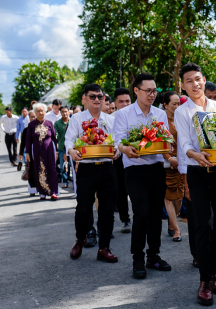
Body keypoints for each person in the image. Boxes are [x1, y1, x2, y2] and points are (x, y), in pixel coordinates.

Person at [175, 62, 216, 306]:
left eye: (198, 79)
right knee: (203, 225)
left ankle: (213, 276)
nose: (195, 84)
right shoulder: (182, 111)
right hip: (198, 171)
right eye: (189, 81)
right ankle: (204, 281)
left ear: (204, 79)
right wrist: (196, 155)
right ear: (183, 86)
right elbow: (185, 144)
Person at [114, 73, 172, 279]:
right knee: (142, 212)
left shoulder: (159, 114)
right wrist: (125, 148)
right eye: (147, 90)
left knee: (156, 213)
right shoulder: (123, 114)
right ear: (136, 91)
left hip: (156, 168)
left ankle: (153, 255)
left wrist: (169, 146)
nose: (152, 94)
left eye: (154, 90)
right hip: (134, 169)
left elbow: (165, 138)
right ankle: (137, 258)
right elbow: (118, 142)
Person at [66, 83, 119, 264]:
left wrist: (117, 151)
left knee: (107, 210)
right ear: (84, 99)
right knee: (83, 208)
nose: (97, 99)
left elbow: (117, 142)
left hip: (106, 167)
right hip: (86, 168)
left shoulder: (110, 119)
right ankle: (80, 238)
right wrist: (72, 151)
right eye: (92, 96)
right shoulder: (76, 119)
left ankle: (104, 248)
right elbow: (69, 141)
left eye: (100, 96)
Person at [160, 91, 185, 242]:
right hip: (167, 162)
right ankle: (176, 229)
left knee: (179, 198)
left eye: (179, 103)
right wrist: (169, 158)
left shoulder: (182, 118)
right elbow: (161, 143)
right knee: (168, 198)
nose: (177, 106)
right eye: (174, 104)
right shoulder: (162, 121)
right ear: (165, 105)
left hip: (182, 161)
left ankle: (172, 221)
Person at [24, 103, 59, 200]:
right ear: (35, 112)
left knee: (51, 169)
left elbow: (54, 139)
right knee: (39, 170)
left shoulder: (49, 123)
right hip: (37, 152)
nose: (40, 112)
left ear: (45, 112)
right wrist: (27, 153)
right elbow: (28, 140)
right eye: (38, 111)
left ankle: (53, 192)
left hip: (49, 151)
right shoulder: (31, 125)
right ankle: (42, 193)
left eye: (42, 110)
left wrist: (56, 151)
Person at [113, 87, 132, 233]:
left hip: (137, 157)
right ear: (115, 103)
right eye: (121, 102)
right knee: (121, 190)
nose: (125, 104)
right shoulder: (110, 118)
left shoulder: (137, 116)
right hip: (118, 158)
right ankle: (125, 220)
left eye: (127, 101)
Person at [18, 110, 39, 197]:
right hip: (29, 153)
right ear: (29, 118)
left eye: (34, 116)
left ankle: (41, 189)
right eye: (31, 117)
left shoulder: (41, 127)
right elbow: (23, 143)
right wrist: (20, 153)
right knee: (30, 170)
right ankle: (32, 190)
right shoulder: (26, 130)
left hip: (39, 152)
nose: (33, 118)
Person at [54, 106, 71, 188]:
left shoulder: (72, 122)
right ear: (60, 113)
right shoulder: (57, 123)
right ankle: (65, 181)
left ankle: (72, 180)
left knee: (71, 165)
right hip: (61, 147)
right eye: (63, 112)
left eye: (66, 111)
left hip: (72, 147)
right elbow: (55, 134)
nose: (64, 113)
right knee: (63, 166)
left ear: (69, 112)